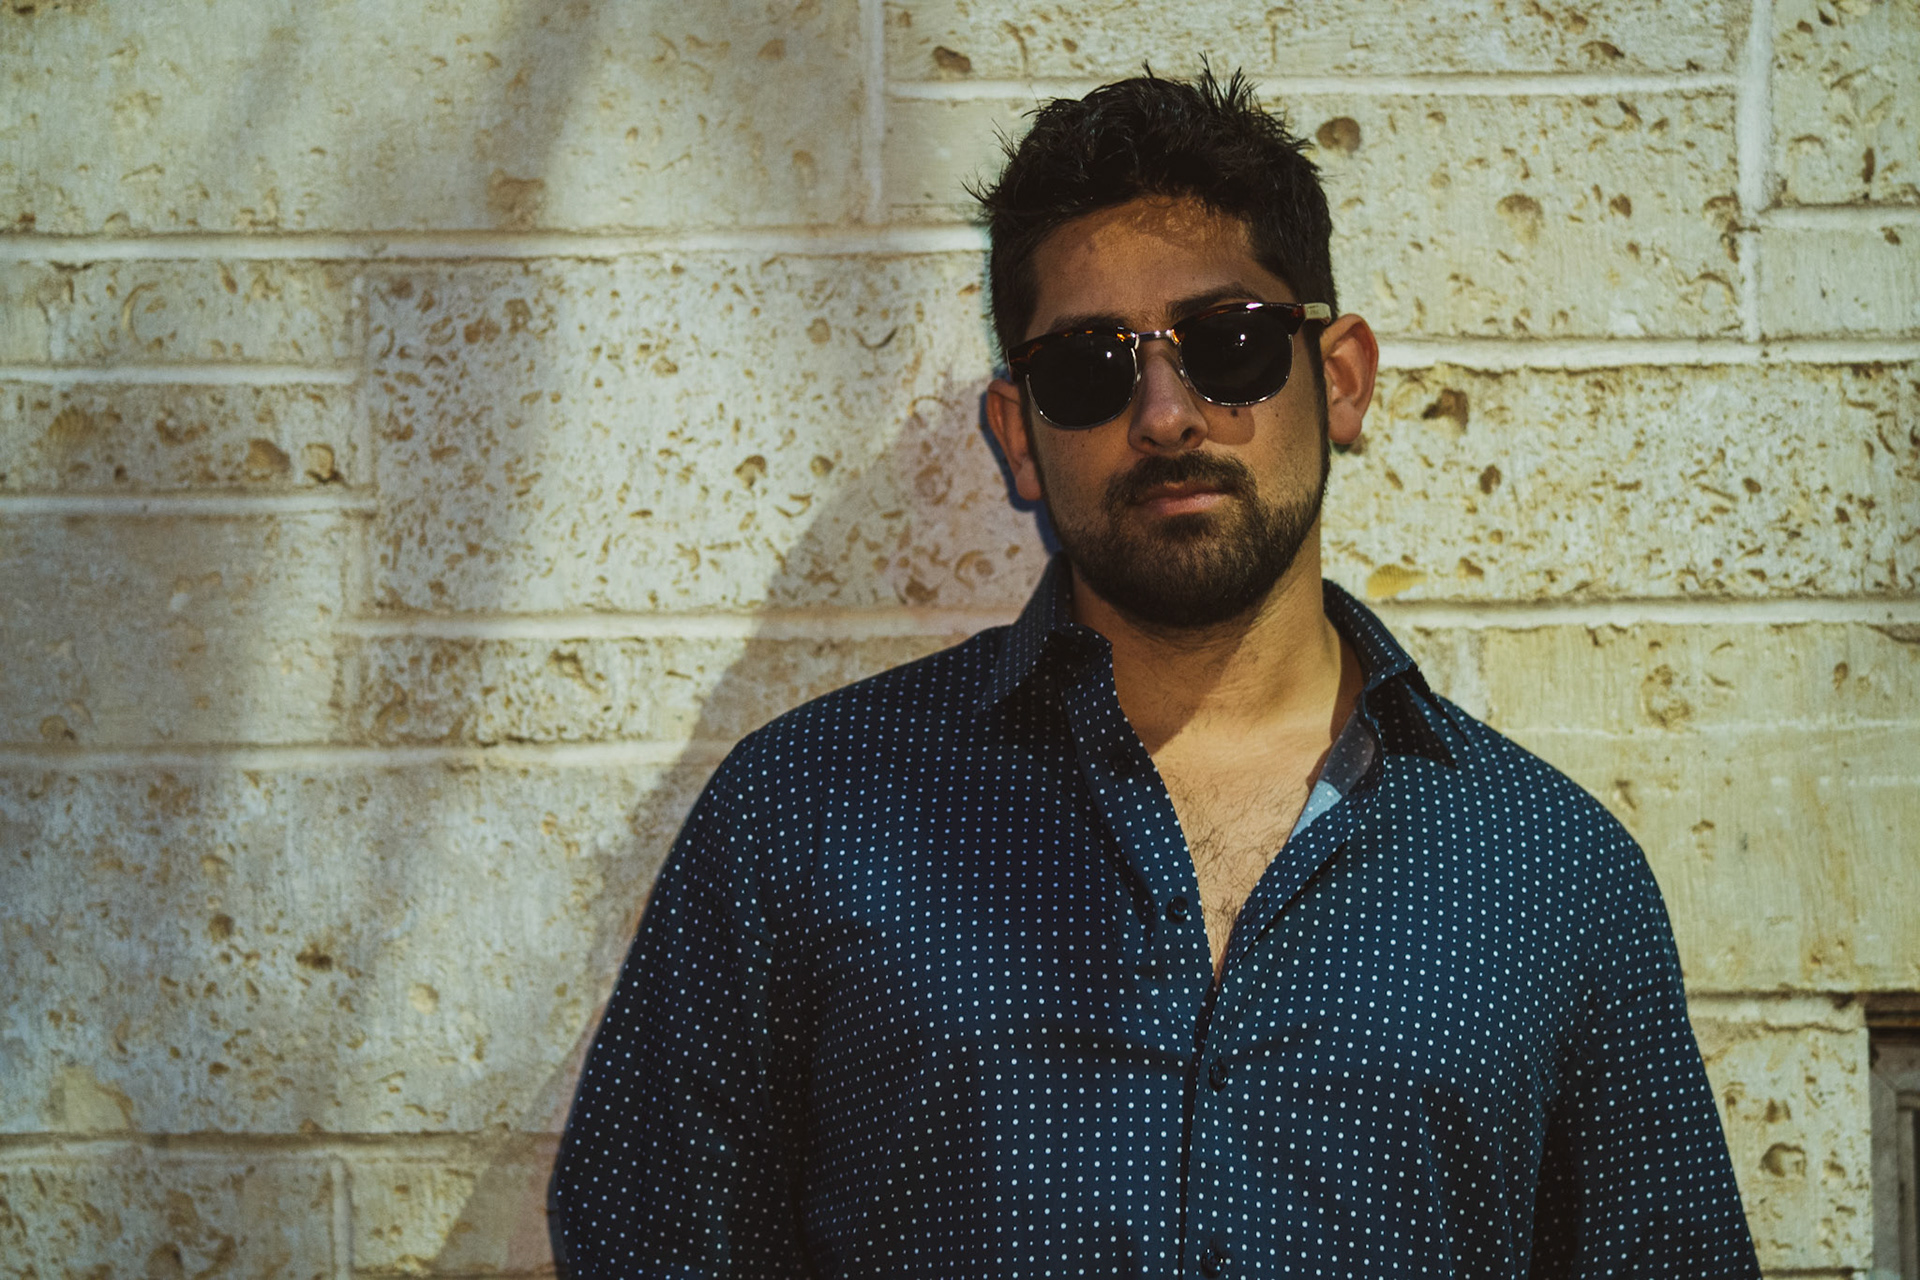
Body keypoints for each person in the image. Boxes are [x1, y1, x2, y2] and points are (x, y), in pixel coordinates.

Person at [548, 69, 1761, 1278]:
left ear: (1341, 377)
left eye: (1230, 342)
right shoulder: (806, 817)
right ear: (1021, 433)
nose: (1167, 413)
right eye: (1089, 365)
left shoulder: (1553, 874)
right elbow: (646, 1245)